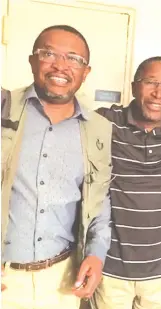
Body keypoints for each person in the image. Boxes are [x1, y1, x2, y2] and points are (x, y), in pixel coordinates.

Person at [1, 25, 113, 309]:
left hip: (62, 281)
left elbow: (100, 200)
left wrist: (96, 254)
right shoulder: (4, 109)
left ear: (85, 72)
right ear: (32, 61)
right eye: (49, 53)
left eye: (74, 58)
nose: (61, 65)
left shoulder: (98, 129)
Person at [91, 56, 161, 309]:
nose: (159, 93)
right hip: (111, 265)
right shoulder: (105, 122)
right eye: (151, 82)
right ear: (134, 86)